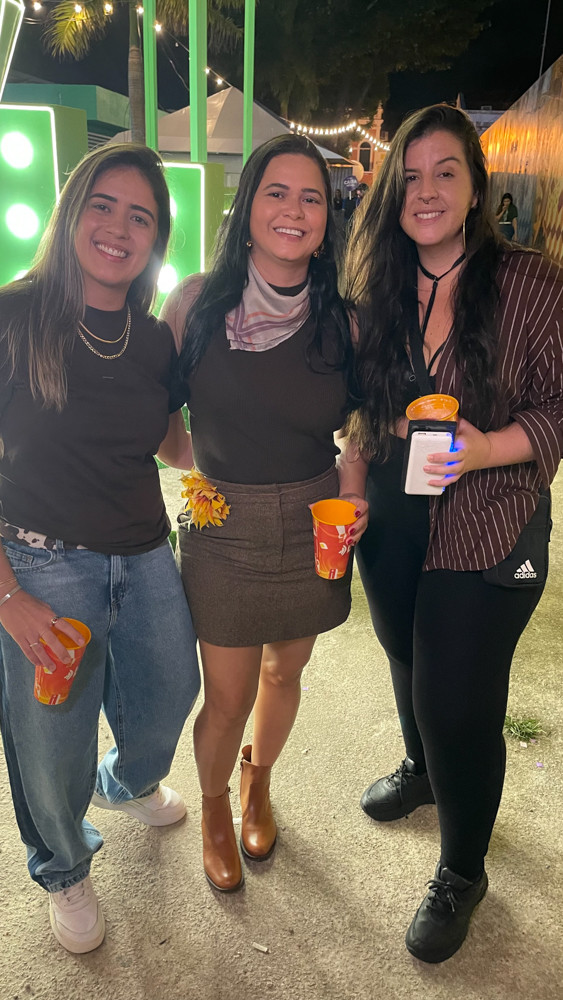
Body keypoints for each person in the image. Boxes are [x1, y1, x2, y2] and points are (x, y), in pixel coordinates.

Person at [344, 104, 563, 963]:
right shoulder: (378, 284)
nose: (425, 191)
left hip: (490, 517)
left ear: (476, 187)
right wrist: (358, 477)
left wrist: (487, 448)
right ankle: (422, 771)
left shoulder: (533, 284)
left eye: (445, 173)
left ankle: (462, 873)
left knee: (455, 701)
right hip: (394, 513)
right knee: (403, 652)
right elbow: (357, 407)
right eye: (410, 176)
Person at [0, 143, 200, 954]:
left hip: (145, 553)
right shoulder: (13, 316)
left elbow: (173, 443)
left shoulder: (151, 340)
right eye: (104, 206)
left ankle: (127, 782)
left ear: (155, 240)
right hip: (41, 562)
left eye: (140, 217)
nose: (120, 228)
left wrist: (265, 451)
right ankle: (63, 865)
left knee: (170, 693)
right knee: (52, 741)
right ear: (71, 212)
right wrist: (8, 596)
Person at [160, 133, 366, 894]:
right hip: (221, 527)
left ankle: (258, 780)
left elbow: (360, 425)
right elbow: (159, 410)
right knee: (227, 694)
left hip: (314, 518)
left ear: (327, 219)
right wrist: (193, 460)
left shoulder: (344, 321)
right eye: (276, 192)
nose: (294, 210)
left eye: (311, 197)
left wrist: (354, 493)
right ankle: (214, 806)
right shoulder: (192, 304)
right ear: (247, 207)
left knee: (287, 670)